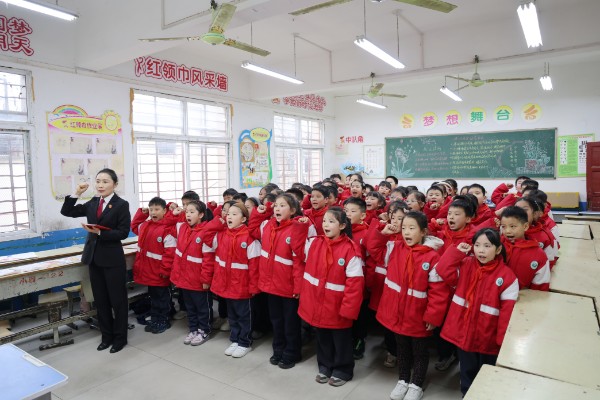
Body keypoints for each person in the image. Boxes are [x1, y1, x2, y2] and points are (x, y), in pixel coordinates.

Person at [374, 211, 448, 400]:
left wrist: (433, 316)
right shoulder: (395, 247)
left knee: (420, 351)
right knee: (402, 348)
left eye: (412, 228)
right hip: (398, 312)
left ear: (423, 232)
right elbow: (374, 250)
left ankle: (417, 384)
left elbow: (438, 290)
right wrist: (382, 234)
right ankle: (403, 379)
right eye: (404, 228)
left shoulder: (432, 257)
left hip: (418, 315)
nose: (406, 232)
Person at [435, 229, 519, 396]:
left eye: (487, 246)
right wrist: (456, 252)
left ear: (498, 249)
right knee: (467, 370)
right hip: (464, 333)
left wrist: (502, 342)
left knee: (486, 373)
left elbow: (507, 314)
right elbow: (442, 270)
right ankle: (466, 394)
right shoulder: (466, 264)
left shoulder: (507, 277)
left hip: (488, 338)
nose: (481, 250)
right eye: (477, 245)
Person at [60, 168, 131, 353]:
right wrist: (76, 193)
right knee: (100, 301)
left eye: (105, 181)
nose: (100, 185)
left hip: (113, 259)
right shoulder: (93, 202)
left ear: (115, 184)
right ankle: (106, 336)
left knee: (118, 301)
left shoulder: (121, 205)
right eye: (98, 181)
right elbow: (67, 211)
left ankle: (120, 338)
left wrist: (100, 232)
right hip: (94, 259)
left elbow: (123, 232)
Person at [298, 207, 364, 387]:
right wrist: (300, 227)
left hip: (338, 306)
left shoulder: (350, 250)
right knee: (323, 337)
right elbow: (297, 249)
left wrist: (348, 309)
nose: (326, 224)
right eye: (325, 221)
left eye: (331, 221)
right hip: (318, 303)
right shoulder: (315, 243)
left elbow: (355, 285)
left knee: (341, 340)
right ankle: (325, 365)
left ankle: (343, 369)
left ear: (342, 226)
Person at [249, 193, 314, 369]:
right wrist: (260, 213)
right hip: (271, 285)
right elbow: (252, 229)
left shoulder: (297, 228)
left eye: (282, 205)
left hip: (289, 286)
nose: (277, 208)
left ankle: (292, 352)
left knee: (290, 323)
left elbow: (300, 260)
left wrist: (298, 288)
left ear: (292, 210)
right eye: (276, 205)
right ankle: (278, 349)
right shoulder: (267, 225)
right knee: (276, 321)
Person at [206, 201, 260, 358]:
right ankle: (235, 339)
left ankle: (245, 342)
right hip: (226, 284)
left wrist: (253, 287)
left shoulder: (249, 238)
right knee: (232, 315)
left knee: (244, 316)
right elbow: (205, 236)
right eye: (228, 214)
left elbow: (255, 265)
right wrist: (217, 222)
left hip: (242, 286)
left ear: (243, 219)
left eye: (234, 214)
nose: (229, 217)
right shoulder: (222, 234)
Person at [170, 200, 215, 346]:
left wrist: (206, 280)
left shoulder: (206, 232)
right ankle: (193, 329)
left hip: (198, 280)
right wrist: (173, 214)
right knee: (189, 307)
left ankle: (204, 330)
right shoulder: (182, 227)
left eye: (192, 212)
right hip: (184, 278)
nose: (188, 214)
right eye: (186, 211)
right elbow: (167, 226)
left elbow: (208, 260)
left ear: (201, 215)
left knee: (202, 308)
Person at [131, 197, 177, 334]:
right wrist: (142, 213)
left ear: (164, 211)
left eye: (157, 209)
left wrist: (165, 270)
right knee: (154, 297)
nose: (153, 212)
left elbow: (170, 253)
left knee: (162, 298)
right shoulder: (146, 225)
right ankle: (156, 318)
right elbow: (134, 226)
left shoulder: (168, 229)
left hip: (160, 272)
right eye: (151, 209)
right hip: (148, 271)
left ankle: (164, 320)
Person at [499, 207, 550, 291]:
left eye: (512, 226)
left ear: (525, 226)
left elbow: (540, 288)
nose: (507, 231)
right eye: (503, 227)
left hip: (524, 297)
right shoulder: (497, 246)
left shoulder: (538, 255)